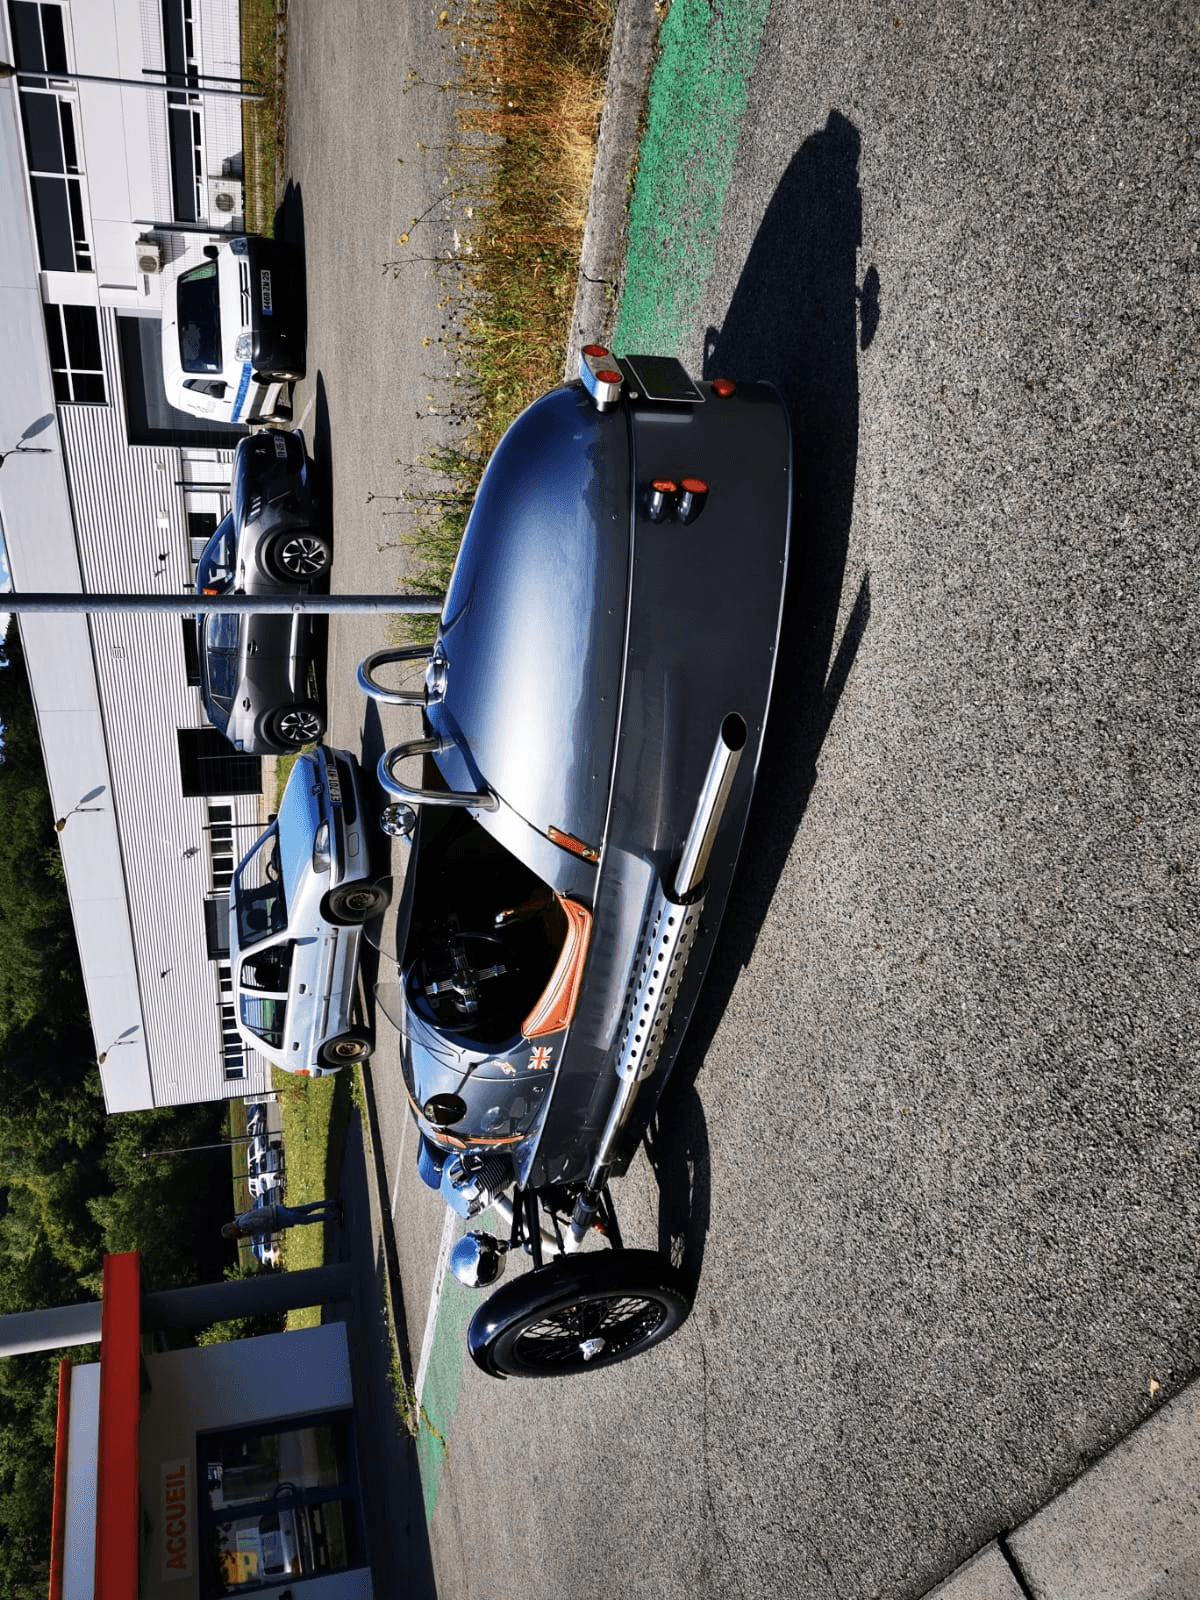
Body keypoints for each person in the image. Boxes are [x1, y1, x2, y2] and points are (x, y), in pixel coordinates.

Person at [222, 1197, 342, 1239]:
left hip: (277, 1218)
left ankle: (333, 1215)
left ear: (232, 1230)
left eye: (233, 1234)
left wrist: (251, 1233)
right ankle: (331, 1203)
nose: (235, 1235)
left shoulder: (243, 1225)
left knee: (306, 1219)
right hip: (277, 1210)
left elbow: (262, 1222)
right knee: (306, 1209)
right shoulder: (240, 1219)